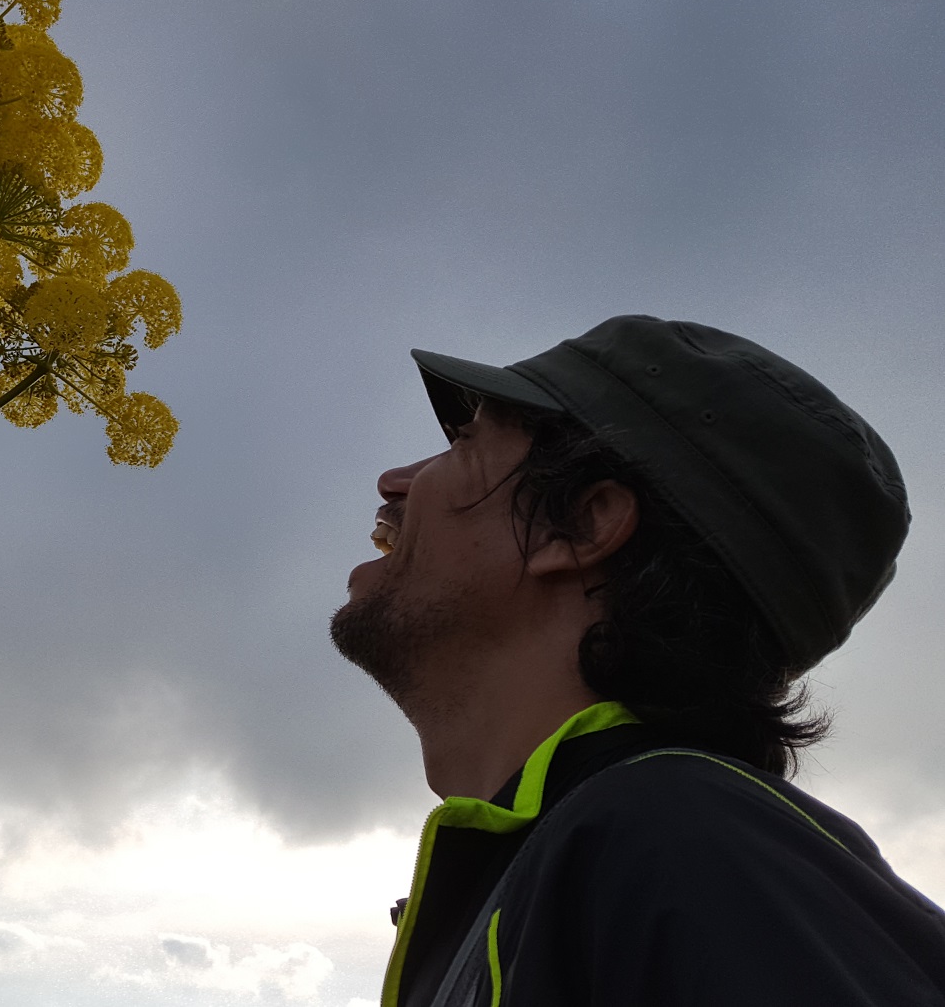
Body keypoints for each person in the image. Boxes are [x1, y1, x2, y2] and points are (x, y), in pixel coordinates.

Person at [335, 314, 945, 1006]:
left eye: (466, 443)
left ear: (584, 525)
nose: (394, 480)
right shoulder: (594, 863)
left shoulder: (683, 840)